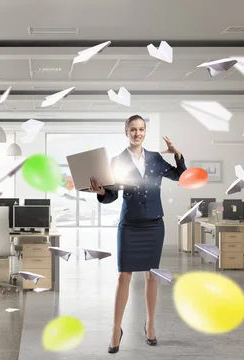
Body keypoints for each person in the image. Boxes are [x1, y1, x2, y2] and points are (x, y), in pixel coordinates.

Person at [88, 114, 186, 354]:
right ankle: (115, 329)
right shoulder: (117, 161)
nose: (138, 133)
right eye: (133, 129)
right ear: (126, 132)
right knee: (124, 276)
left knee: (152, 275)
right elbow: (111, 195)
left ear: (145, 132)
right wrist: (101, 191)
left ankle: (150, 325)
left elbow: (180, 176)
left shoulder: (154, 158)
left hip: (154, 225)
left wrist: (177, 154)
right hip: (130, 224)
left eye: (141, 129)